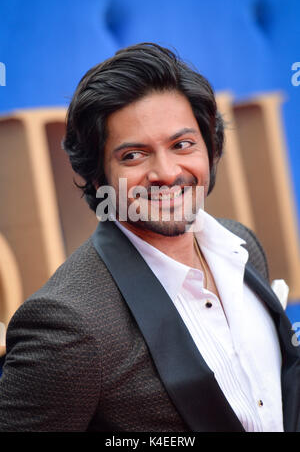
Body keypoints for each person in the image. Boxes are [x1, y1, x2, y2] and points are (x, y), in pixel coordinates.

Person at [0, 43, 299, 432]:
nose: (167, 172)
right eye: (134, 156)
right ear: (96, 176)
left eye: (182, 144)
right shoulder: (69, 324)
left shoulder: (241, 247)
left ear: (210, 148)